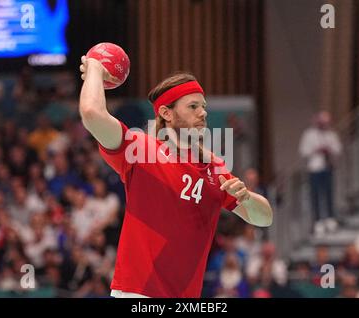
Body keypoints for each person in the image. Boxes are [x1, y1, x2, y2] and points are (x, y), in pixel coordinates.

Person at [78, 54, 273, 298]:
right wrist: (95, 67)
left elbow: (264, 218)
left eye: (204, 106)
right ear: (167, 113)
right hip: (139, 294)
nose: (202, 113)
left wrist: (246, 198)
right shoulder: (140, 150)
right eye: (193, 106)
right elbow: (91, 113)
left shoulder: (214, 168)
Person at [299, 111, 342, 236]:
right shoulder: (309, 135)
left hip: (327, 167)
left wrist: (329, 150)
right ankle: (318, 220)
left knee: (329, 193)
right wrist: (316, 150)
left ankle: (330, 218)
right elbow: (303, 151)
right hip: (315, 168)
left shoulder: (331, 135)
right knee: (316, 195)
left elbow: (338, 149)